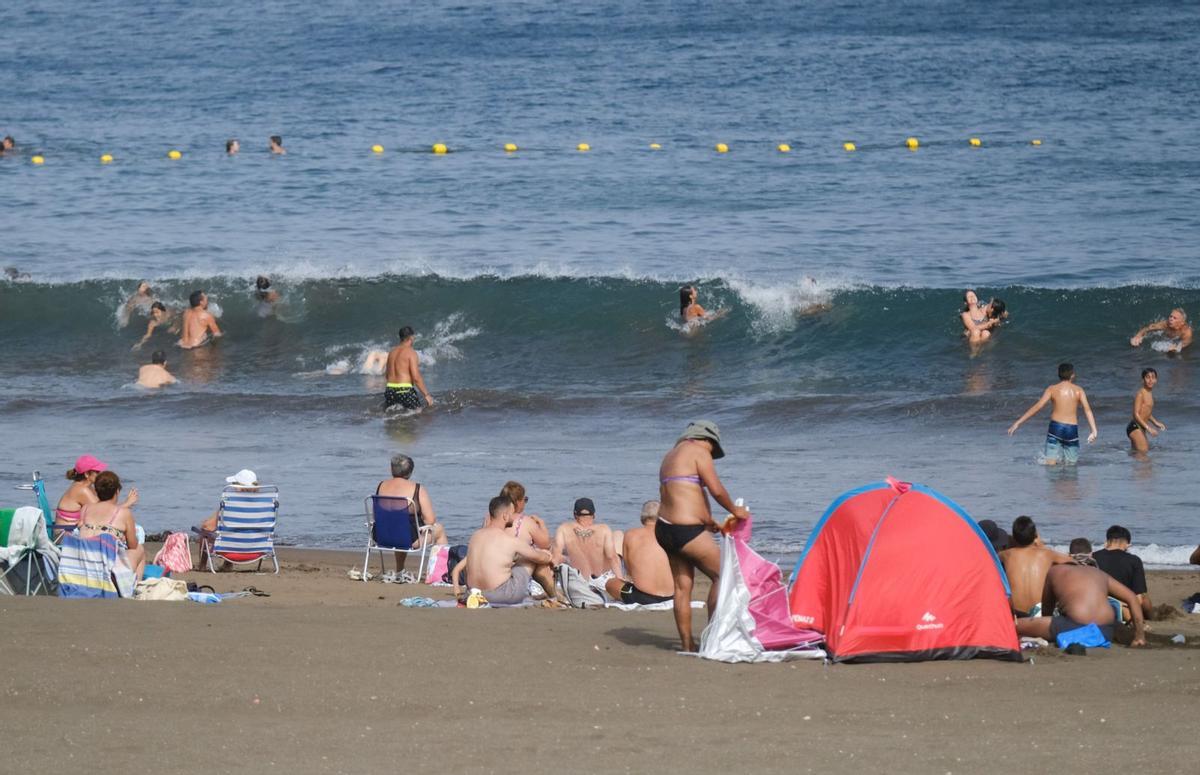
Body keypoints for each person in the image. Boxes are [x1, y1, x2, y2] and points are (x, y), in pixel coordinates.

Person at [656, 420, 750, 651]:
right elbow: (715, 489)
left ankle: (687, 645)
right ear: (706, 440)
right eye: (713, 448)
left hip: (664, 527)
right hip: (685, 530)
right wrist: (735, 511)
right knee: (723, 574)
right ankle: (712, 638)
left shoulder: (670, 456)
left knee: (682, 587)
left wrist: (708, 522)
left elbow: (682, 494)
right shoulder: (699, 451)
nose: (711, 453)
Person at [452, 495, 555, 605]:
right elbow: (539, 558)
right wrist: (548, 555)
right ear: (505, 516)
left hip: (473, 594)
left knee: (524, 557)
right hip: (502, 595)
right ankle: (554, 596)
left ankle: (553, 595)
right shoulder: (510, 541)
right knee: (531, 558)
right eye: (512, 514)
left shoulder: (475, 536)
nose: (514, 517)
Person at [1014, 563, 1145, 647]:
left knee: (1015, 626)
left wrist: (1044, 627)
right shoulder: (1099, 573)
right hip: (1105, 630)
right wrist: (1139, 636)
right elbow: (1132, 598)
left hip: (1074, 625)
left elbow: (1047, 608)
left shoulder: (1055, 571)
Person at [1007, 362, 1098, 465]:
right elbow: (1087, 410)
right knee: (1071, 465)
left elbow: (1038, 407)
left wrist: (1018, 423)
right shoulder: (1079, 391)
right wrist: (1093, 430)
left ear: (1058, 374)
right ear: (1072, 375)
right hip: (1071, 429)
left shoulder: (1052, 389)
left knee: (1050, 464)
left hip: (1056, 427)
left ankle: (1054, 479)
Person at [375, 453, 448, 573]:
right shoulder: (417, 489)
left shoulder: (381, 486)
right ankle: (441, 572)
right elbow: (430, 520)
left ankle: (400, 569)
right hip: (408, 540)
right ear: (410, 472)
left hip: (381, 537)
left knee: (398, 525)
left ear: (391, 469)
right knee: (439, 529)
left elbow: (377, 514)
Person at [999, 515, 1075, 616]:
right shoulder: (1047, 554)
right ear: (1035, 536)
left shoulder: (1006, 555)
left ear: (1014, 537)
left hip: (1015, 614)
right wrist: (1041, 545)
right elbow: (1074, 562)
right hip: (1039, 613)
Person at [78, 471, 146, 580]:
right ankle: (133, 588)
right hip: (108, 572)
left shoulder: (85, 509)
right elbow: (132, 545)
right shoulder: (124, 513)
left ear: (96, 491)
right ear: (117, 491)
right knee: (139, 549)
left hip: (85, 568)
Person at [603, 501, 674, 605]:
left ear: (642, 517)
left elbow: (629, 571)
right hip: (672, 596)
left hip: (643, 597)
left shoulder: (631, 534)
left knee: (610, 583)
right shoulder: (671, 535)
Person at [55, 455, 137, 531]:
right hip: (66, 536)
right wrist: (127, 503)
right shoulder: (81, 490)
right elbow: (104, 512)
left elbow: (105, 507)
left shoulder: (88, 487)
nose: (100, 474)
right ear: (87, 474)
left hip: (77, 531)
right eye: (97, 472)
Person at [1092, 525, 1152, 620]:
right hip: (1123, 607)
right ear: (1128, 544)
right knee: (1144, 597)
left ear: (1107, 542)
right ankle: (1150, 618)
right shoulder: (1134, 560)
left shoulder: (1093, 557)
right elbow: (1139, 599)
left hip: (1097, 604)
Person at [553, 498, 621, 580]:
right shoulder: (604, 529)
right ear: (594, 515)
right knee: (618, 534)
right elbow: (611, 557)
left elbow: (556, 556)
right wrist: (620, 579)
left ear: (574, 515)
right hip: (599, 580)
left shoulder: (564, 529)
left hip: (577, 580)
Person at [384, 326, 433, 410]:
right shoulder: (411, 353)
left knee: (394, 416)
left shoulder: (391, 352)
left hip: (390, 390)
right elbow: (416, 377)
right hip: (405, 390)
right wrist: (426, 395)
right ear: (411, 337)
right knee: (420, 414)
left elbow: (387, 375)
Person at [499, 481, 551, 550]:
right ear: (518, 502)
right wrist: (541, 523)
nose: (525, 502)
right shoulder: (526, 521)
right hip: (519, 558)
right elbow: (546, 545)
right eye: (525, 499)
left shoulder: (491, 518)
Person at [1127, 367, 1166, 452]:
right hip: (1135, 427)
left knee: (1137, 455)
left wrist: (1156, 423)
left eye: (1153, 377)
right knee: (1144, 453)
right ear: (1143, 380)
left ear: (1156, 380)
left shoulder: (1150, 394)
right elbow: (1136, 414)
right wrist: (1149, 428)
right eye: (1147, 377)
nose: (1150, 380)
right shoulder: (1141, 393)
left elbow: (1146, 412)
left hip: (1141, 427)